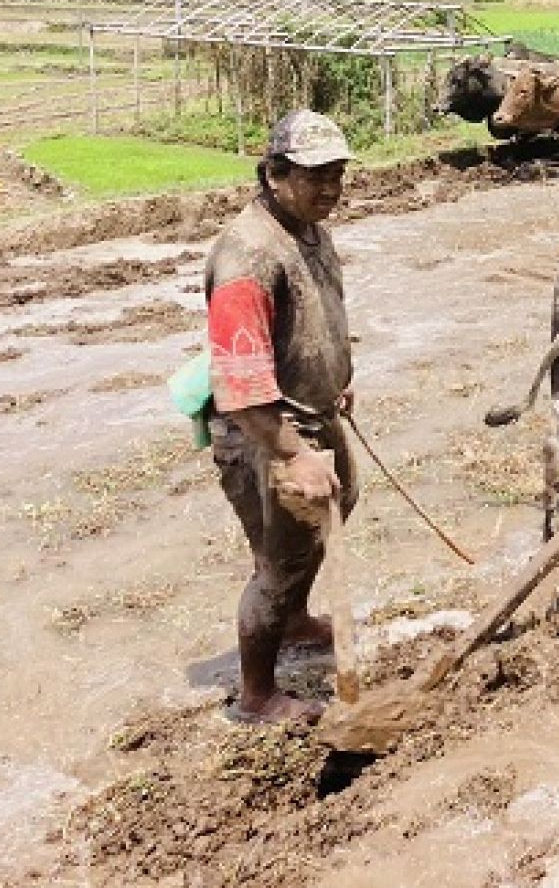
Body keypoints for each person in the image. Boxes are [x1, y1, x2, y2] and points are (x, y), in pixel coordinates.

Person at [205, 109, 358, 725]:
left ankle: (295, 620)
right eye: (315, 175)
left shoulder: (310, 228)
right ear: (273, 173)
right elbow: (240, 391)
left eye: (338, 176)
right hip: (265, 433)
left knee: (335, 513)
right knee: (280, 560)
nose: (330, 190)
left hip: (314, 415)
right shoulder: (248, 256)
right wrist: (293, 453)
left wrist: (337, 380)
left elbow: (315, 314)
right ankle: (257, 695)